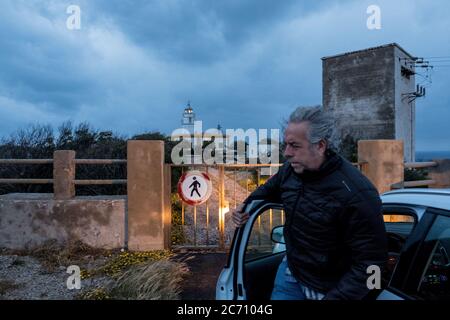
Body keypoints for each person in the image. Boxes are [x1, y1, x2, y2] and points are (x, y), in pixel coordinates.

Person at [232, 106, 388, 300]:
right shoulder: (290, 171)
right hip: (291, 273)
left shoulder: (357, 193)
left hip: (328, 289)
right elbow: (267, 191)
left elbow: (372, 264)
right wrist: (244, 207)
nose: (287, 153)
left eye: (295, 146)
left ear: (320, 145)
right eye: (285, 144)